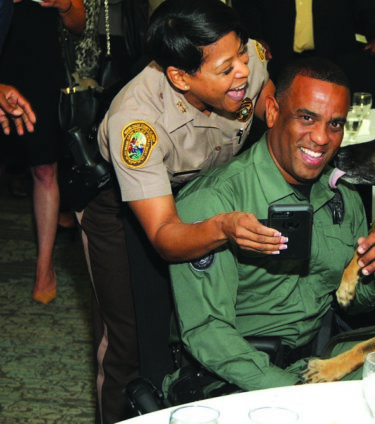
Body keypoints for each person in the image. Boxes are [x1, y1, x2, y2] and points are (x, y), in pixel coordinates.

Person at [165, 58, 375, 395]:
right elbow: (208, 332)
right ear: (274, 112)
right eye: (307, 118)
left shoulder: (342, 193)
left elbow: (355, 305)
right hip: (237, 377)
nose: (322, 138)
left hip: (319, 362)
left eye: (335, 124)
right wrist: (296, 395)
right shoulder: (215, 202)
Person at [79, 0, 281, 421]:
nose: (242, 69)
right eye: (226, 70)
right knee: (133, 342)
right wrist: (224, 229)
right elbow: (165, 235)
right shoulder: (137, 125)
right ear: (180, 77)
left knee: (211, 325)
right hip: (132, 214)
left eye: (241, 53)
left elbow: (262, 84)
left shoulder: (244, 60)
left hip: (208, 196)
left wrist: (268, 106)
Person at [0, 0, 86, 303]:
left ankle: (44, 266)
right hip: (4, 56)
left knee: (44, 166)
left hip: (38, 63)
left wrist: (62, 5)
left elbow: (79, 22)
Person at [231, 0, 375, 79]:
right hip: (278, 55)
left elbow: (367, 6)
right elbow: (246, 6)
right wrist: (254, 36)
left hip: (332, 55)